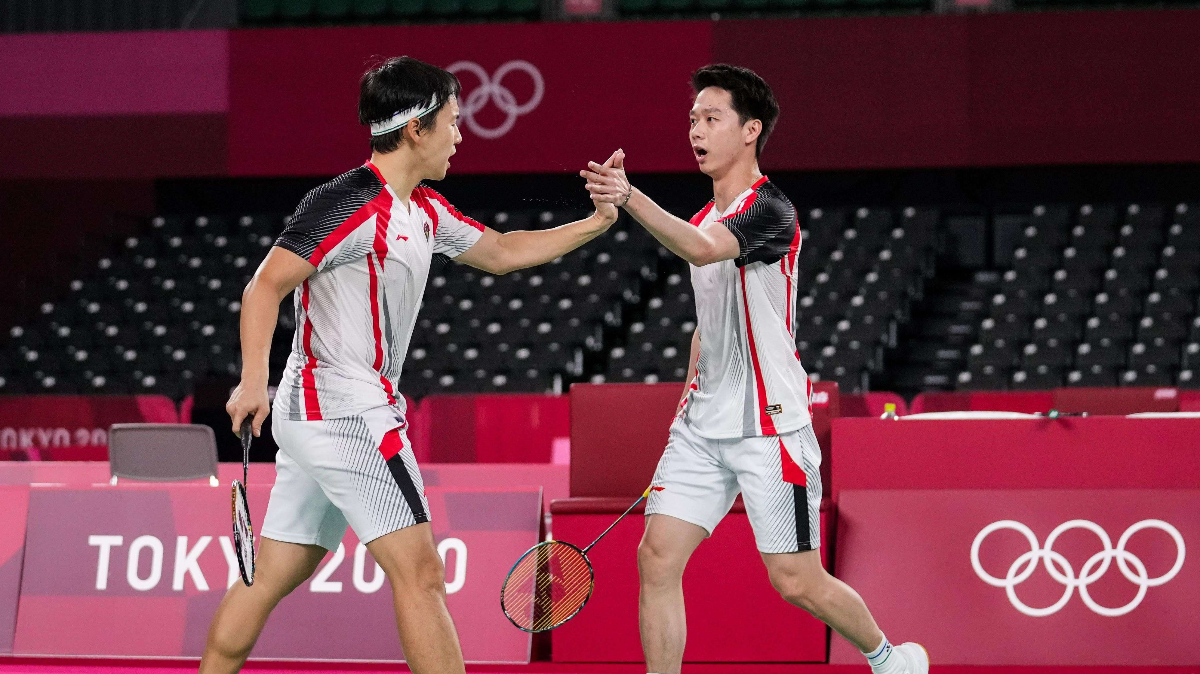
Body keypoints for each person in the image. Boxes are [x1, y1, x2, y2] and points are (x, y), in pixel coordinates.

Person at [200, 56, 619, 674]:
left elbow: (500, 252)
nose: (459, 135)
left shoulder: (422, 209)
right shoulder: (345, 204)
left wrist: (598, 222)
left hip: (321, 411)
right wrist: (251, 378)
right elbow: (265, 286)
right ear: (416, 128)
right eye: (452, 120)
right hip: (342, 410)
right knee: (421, 573)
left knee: (273, 572)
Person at [581, 64, 928, 674]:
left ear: (750, 131)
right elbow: (705, 325)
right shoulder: (699, 216)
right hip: (700, 428)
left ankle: (890, 658)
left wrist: (629, 196)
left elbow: (705, 250)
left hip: (770, 428)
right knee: (656, 558)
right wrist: (687, 402)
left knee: (794, 578)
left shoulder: (771, 212)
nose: (697, 130)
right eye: (693, 119)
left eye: (712, 118)